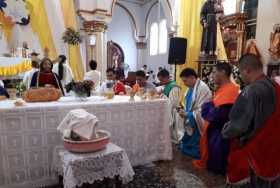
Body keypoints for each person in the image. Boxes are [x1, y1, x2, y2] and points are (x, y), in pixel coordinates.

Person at [222, 54, 280, 187]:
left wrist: (225, 131)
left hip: (254, 152)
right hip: (274, 149)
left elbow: (238, 126)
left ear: (247, 70)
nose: (241, 77)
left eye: (241, 72)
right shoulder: (275, 86)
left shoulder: (251, 91)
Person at [197, 63, 239, 175]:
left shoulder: (231, 90)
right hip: (215, 134)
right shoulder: (223, 89)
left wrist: (207, 107)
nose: (212, 75)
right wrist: (208, 107)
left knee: (217, 171)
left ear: (223, 72)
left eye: (214, 72)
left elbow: (217, 115)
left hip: (221, 137)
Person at [178, 68, 212, 159]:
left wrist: (189, 114)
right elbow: (188, 103)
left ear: (192, 77)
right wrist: (184, 111)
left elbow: (202, 109)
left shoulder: (203, 88)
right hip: (191, 116)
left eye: (185, 81)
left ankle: (196, 150)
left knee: (195, 141)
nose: (184, 83)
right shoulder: (190, 88)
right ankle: (187, 146)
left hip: (198, 118)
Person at [157, 69, 182, 143]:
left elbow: (173, 103)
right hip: (168, 109)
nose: (161, 82)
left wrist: (162, 95)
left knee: (173, 131)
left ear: (167, 77)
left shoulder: (174, 87)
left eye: (161, 80)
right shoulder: (167, 85)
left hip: (173, 111)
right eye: (160, 80)